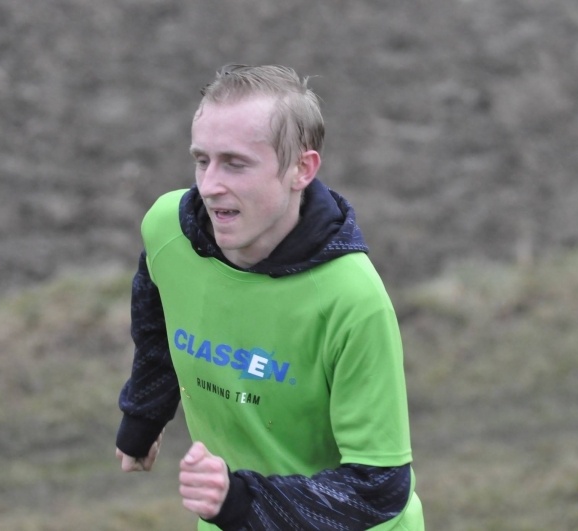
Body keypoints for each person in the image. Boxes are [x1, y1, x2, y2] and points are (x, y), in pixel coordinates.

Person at [115, 64, 424, 530]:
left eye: (235, 163)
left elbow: (378, 488)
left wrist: (241, 501)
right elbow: (157, 320)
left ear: (302, 168)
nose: (210, 185)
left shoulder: (352, 298)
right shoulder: (168, 230)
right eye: (202, 160)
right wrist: (144, 414)